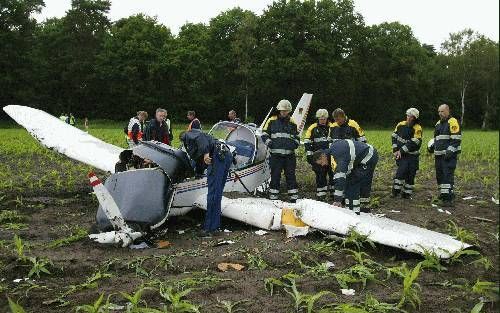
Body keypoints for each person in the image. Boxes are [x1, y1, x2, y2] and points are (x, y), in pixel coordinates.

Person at [180, 130, 233, 235]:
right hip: (225, 155)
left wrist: (206, 154)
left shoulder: (188, 135)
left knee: (213, 194)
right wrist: (196, 173)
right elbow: (199, 164)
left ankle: (209, 228)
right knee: (217, 194)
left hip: (217, 156)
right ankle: (214, 226)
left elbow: (200, 138)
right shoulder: (196, 146)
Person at [312, 139, 378, 214]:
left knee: (351, 183)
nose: (323, 165)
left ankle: (353, 213)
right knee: (364, 183)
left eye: (321, 163)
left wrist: (337, 200)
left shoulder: (337, 158)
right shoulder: (333, 149)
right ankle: (365, 211)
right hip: (370, 153)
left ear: (323, 156)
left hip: (368, 157)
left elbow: (340, 179)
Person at [262, 100, 300, 202]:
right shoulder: (271, 120)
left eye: (286, 111)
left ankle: (294, 198)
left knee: (291, 176)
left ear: (289, 111)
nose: (284, 112)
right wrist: (270, 143)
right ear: (279, 110)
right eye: (282, 110)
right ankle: (273, 198)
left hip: (289, 156)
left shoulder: (292, 122)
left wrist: (294, 145)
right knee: (275, 176)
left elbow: (297, 138)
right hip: (276, 155)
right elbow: (264, 134)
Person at [428, 104, 462, 207]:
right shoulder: (438, 123)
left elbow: (456, 139)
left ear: (447, 111)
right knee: (440, 176)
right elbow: (436, 139)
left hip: (448, 156)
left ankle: (448, 199)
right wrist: (431, 147)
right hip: (438, 156)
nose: (440, 114)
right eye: (439, 112)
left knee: (447, 176)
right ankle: (443, 195)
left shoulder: (453, 122)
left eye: (442, 111)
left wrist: (450, 152)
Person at [391, 108, 423, 199]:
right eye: (408, 115)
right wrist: (395, 150)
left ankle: (406, 194)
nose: (408, 118)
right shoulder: (400, 124)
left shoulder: (417, 128)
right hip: (403, 156)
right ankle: (395, 193)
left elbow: (414, 142)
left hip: (413, 156)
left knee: (411, 175)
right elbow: (394, 136)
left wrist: (401, 150)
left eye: (410, 116)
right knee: (400, 173)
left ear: (414, 118)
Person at [304, 109, 334, 201]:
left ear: (327, 118)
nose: (322, 120)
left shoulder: (333, 127)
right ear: (318, 118)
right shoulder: (312, 128)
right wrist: (309, 155)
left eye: (324, 119)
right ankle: (321, 196)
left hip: (332, 156)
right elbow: (307, 142)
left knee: (333, 175)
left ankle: (334, 195)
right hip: (319, 157)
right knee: (320, 176)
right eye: (321, 119)